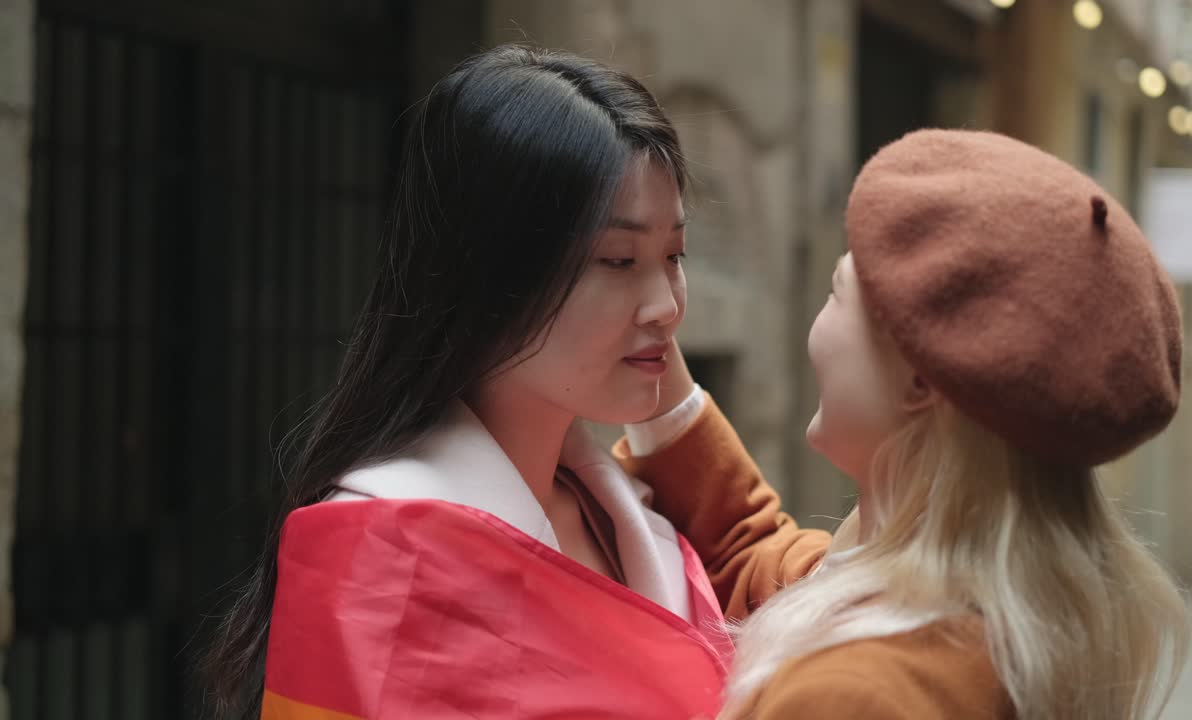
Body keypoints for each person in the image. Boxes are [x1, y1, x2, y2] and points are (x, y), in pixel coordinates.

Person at [200, 44, 809, 720]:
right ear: (490, 273)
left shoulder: (638, 521)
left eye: (674, 256)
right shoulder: (381, 549)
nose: (666, 303)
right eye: (618, 259)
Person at [617, 129, 1190, 720]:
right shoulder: (988, 605)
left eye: (838, 293)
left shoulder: (857, 697)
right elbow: (753, 553)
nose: (817, 322)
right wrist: (650, 351)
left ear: (920, 382)